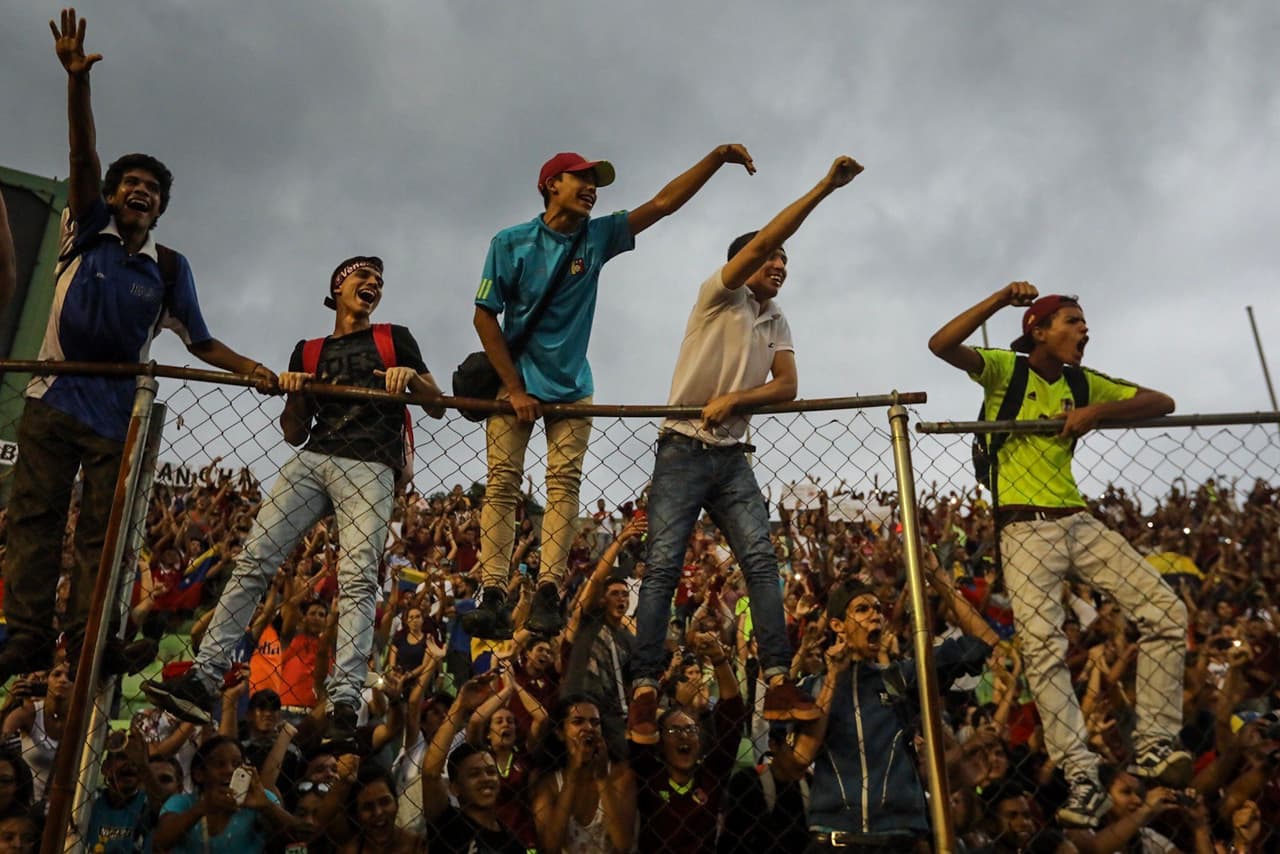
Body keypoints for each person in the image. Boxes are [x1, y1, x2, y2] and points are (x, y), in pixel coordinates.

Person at [0, 8, 276, 683]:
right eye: (132, 184)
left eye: (152, 190)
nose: (140, 193)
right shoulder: (84, 229)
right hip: (53, 395)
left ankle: (89, 641)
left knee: (106, 535)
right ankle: (28, 635)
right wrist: (77, 84)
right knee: (34, 521)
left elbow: (202, 341)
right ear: (112, 194)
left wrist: (255, 369)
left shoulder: (169, 268)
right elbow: (81, 157)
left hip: (115, 411)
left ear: (160, 209)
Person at [144, 255, 445, 749]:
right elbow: (293, 432)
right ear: (338, 288)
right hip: (315, 457)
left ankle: (346, 697)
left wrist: (409, 377)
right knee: (254, 561)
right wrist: (295, 393)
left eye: (379, 281)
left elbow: (434, 404)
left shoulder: (395, 338)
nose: (373, 284)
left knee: (358, 575)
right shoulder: (307, 350)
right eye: (363, 277)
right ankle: (203, 676)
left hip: (371, 462)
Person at [465, 143, 758, 641]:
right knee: (502, 482)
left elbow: (662, 204)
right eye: (580, 179)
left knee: (563, 484)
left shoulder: (596, 237)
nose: (592, 189)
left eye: (595, 182)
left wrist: (716, 157)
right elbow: (483, 317)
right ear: (550, 185)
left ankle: (549, 591)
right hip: (514, 383)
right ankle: (493, 590)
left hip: (573, 385)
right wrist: (513, 389)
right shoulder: (511, 243)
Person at [928, 284, 1189, 827]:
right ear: (1037, 331)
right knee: (1044, 650)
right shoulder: (1005, 370)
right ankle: (1079, 777)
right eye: (1072, 322)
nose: (1084, 331)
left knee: (1167, 612)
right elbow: (941, 344)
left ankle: (1155, 745)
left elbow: (1162, 402)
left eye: (1085, 324)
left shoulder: (1079, 381)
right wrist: (1000, 298)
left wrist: (1095, 410)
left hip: (1076, 518)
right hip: (1023, 527)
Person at [627, 155, 864, 741]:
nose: (780, 265)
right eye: (772, 255)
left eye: (786, 261)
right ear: (750, 258)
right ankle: (644, 687)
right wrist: (824, 189)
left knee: (762, 561)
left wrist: (735, 400)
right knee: (661, 568)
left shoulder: (776, 318)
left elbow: (787, 386)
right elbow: (769, 240)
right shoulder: (720, 294)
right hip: (683, 447)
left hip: (732, 453)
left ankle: (779, 677)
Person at [774, 556, 998, 851]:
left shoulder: (895, 680)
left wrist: (936, 575)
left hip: (899, 837)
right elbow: (790, 765)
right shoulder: (811, 687)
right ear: (838, 625)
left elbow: (984, 641)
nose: (875, 616)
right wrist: (831, 678)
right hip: (835, 837)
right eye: (862, 609)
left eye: (878, 610)